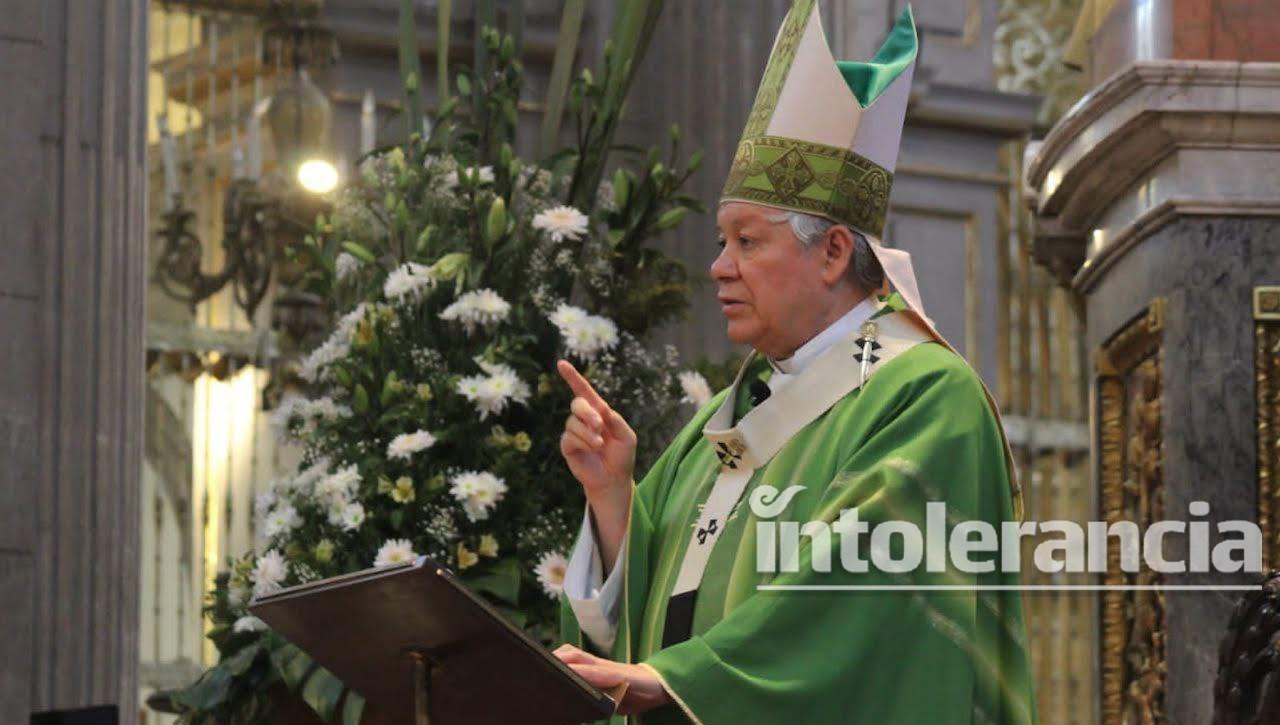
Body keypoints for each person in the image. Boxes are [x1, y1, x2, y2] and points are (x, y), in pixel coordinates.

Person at [552, 3, 1038, 723]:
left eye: (747, 241)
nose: (718, 268)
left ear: (835, 251)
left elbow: (861, 606)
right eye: (724, 242)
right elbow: (658, 612)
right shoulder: (731, 417)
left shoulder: (924, 395)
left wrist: (685, 679)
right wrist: (614, 496)